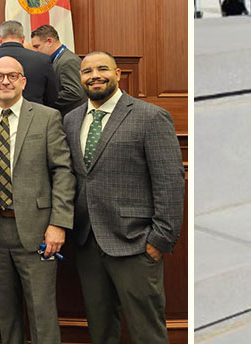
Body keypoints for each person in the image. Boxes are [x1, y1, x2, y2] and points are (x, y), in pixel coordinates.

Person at [63, 52, 185, 344]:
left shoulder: (150, 117)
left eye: (102, 68)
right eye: (87, 71)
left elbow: (170, 182)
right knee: (101, 330)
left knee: (147, 331)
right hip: (88, 242)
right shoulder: (71, 119)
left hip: (136, 244)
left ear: (118, 73)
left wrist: (158, 241)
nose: (95, 75)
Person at [0, 55, 74, 344]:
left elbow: (63, 171)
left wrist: (58, 224)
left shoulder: (46, 116)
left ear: (23, 81)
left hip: (39, 229)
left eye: (13, 76)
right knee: (6, 313)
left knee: (42, 313)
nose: (6, 81)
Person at [0, 21, 58, 111]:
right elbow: (52, 96)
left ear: (0, 38)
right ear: (23, 39)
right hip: (33, 119)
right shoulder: (43, 60)